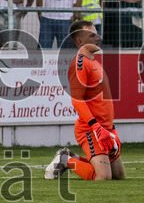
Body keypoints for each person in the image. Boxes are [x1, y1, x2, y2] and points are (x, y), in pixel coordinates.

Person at [45, 19, 125, 181]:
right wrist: (95, 126)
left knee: (118, 175)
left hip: (105, 128)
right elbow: (77, 100)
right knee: (103, 177)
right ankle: (65, 161)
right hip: (90, 129)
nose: (98, 38)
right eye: (92, 35)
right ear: (80, 41)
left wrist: (112, 128)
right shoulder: (80, 64)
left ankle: (70, 156)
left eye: (97, 34)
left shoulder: (94, 62)